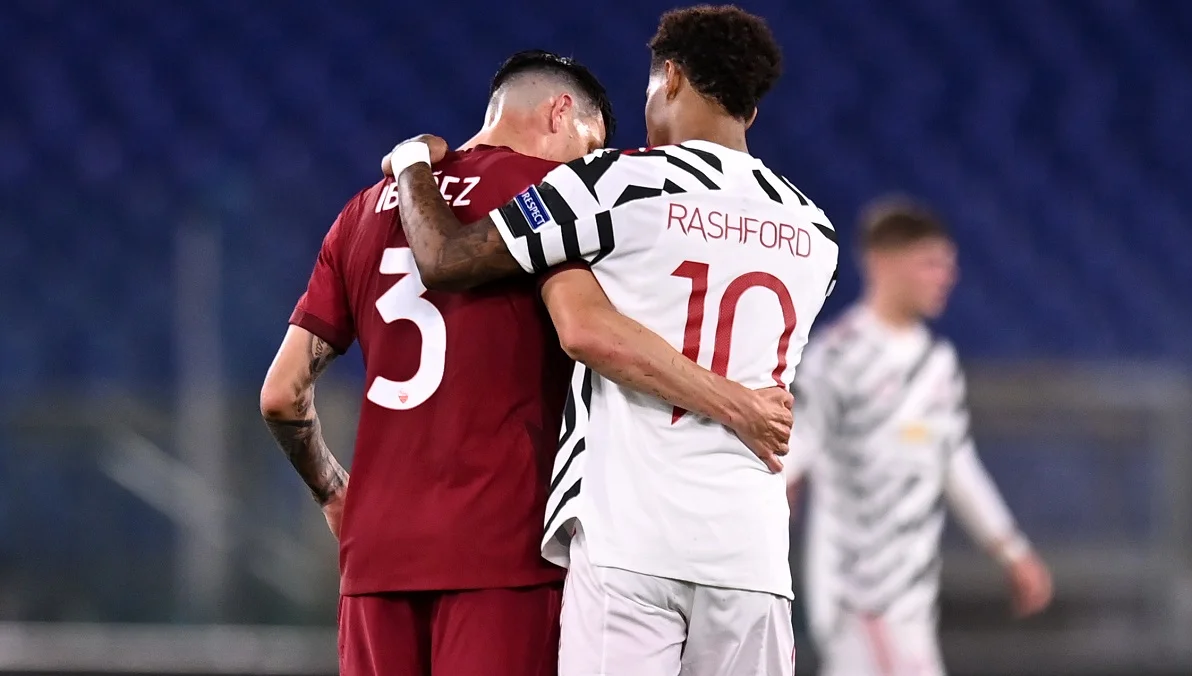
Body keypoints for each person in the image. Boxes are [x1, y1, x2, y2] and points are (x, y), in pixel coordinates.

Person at [260, 49, 792, 676]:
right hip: (505, 551)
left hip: (375, 554)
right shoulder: (559, 199)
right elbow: (589, 329)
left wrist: (333, 494)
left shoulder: (363, 210)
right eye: (589, 145)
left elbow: (281, 394)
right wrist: (737, 402)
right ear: (560, 112)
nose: (588, 162)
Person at [381, 6, 835, 675]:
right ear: (752, 110)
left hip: (631, 540)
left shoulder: (612, 182)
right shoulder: (815, 232)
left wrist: (411, 162)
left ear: (670, 77)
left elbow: (446, 258)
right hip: (752, 555)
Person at [785, 196, 1054, 676]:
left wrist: (1013, 551)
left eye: (948, 265)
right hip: (861, 595)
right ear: (882, 262)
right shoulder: (837, 357)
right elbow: (790, 455)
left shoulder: (937, 363)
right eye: (931, 263)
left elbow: (956, 463)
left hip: (912, 598)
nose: (946, 276)